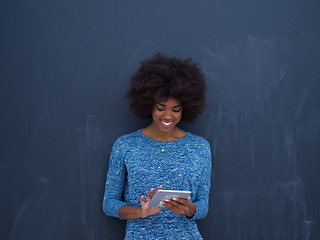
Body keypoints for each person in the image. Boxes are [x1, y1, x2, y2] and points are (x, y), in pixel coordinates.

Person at [102, 52, 212, 239]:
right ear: (149, 105)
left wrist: (189, 209)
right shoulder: (125, 146)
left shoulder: (200, 147)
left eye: (175, 110)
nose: (168, 116)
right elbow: (109, 204)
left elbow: (203, 205)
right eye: (161, 108)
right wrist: (141, 212)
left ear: (185, 108)